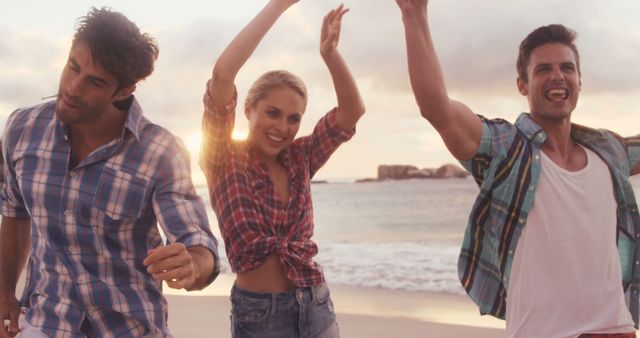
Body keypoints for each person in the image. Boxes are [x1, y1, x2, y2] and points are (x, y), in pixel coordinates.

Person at [396, 1, 640, 337]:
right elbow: (437, 108)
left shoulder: (609, 151)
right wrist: (414, 16)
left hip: (618, 330)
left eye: (567, 68)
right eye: (543, 69)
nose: (558, 76)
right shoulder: (507, 148)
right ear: (522, 85)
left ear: (580, 81)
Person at [0, 8, 220, 338]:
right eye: (73, 67)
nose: (73, 88)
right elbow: (15, 214)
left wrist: (193, 264)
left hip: (129, 329)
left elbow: (196, 243)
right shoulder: (22, 129)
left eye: (95, 82)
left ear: (124, 91)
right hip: (45, 323)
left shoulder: (159, 151)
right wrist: (3, 292)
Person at [200, 0, 365, 337]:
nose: (282, 127)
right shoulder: (223, 158)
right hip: (261, 316)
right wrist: (277, 7)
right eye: (272, 113)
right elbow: (222, 75)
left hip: (316, 303)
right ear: (249, 109)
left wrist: (330, 55)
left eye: (293, 118)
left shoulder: (300, 157)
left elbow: (351, 111)